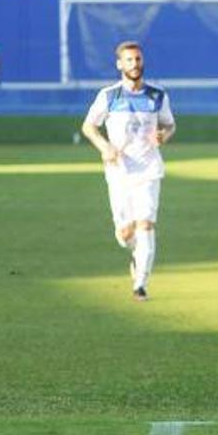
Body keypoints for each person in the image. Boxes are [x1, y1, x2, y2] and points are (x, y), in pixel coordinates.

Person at [80, 41, 176, 302]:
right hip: (119, 171)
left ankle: (140, 284)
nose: (135, 64)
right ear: (120, 65)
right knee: (125, 234)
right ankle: (135, 253)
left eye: (138, 59)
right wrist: (104, 146)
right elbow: (89, 126)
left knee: (146, 224)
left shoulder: (157, 96)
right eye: (129, 60)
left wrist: (163, 135)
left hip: (148, 169)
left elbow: (169, 125)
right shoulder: (109, 96)